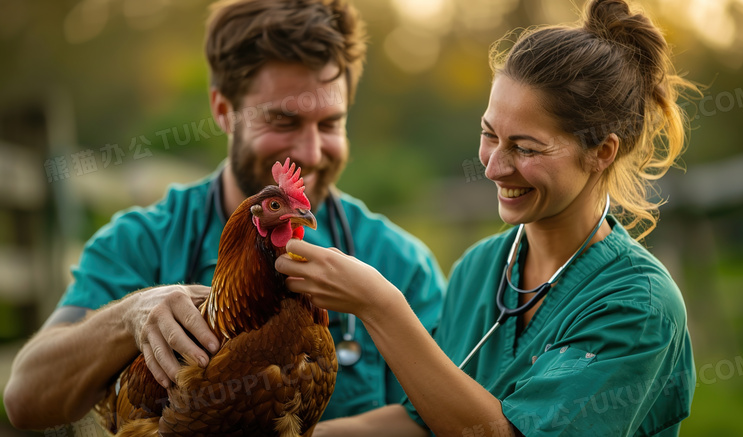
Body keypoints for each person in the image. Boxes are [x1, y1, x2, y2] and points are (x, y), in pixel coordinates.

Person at [3, 0, 445, 429]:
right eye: (283, 121)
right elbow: (25, 399)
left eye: (329, 124)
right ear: (223, 111)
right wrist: (129, 317)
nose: (311, 152)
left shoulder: (399, 264)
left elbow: (445, 412)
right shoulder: (143, 241)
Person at [275, 0, 699, 435]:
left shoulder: (637, 306)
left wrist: (380, 308)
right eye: (489, 135)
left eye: (526, 148)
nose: (493, 167)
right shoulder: (480, 267)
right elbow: (423, 421)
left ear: (601, 152)